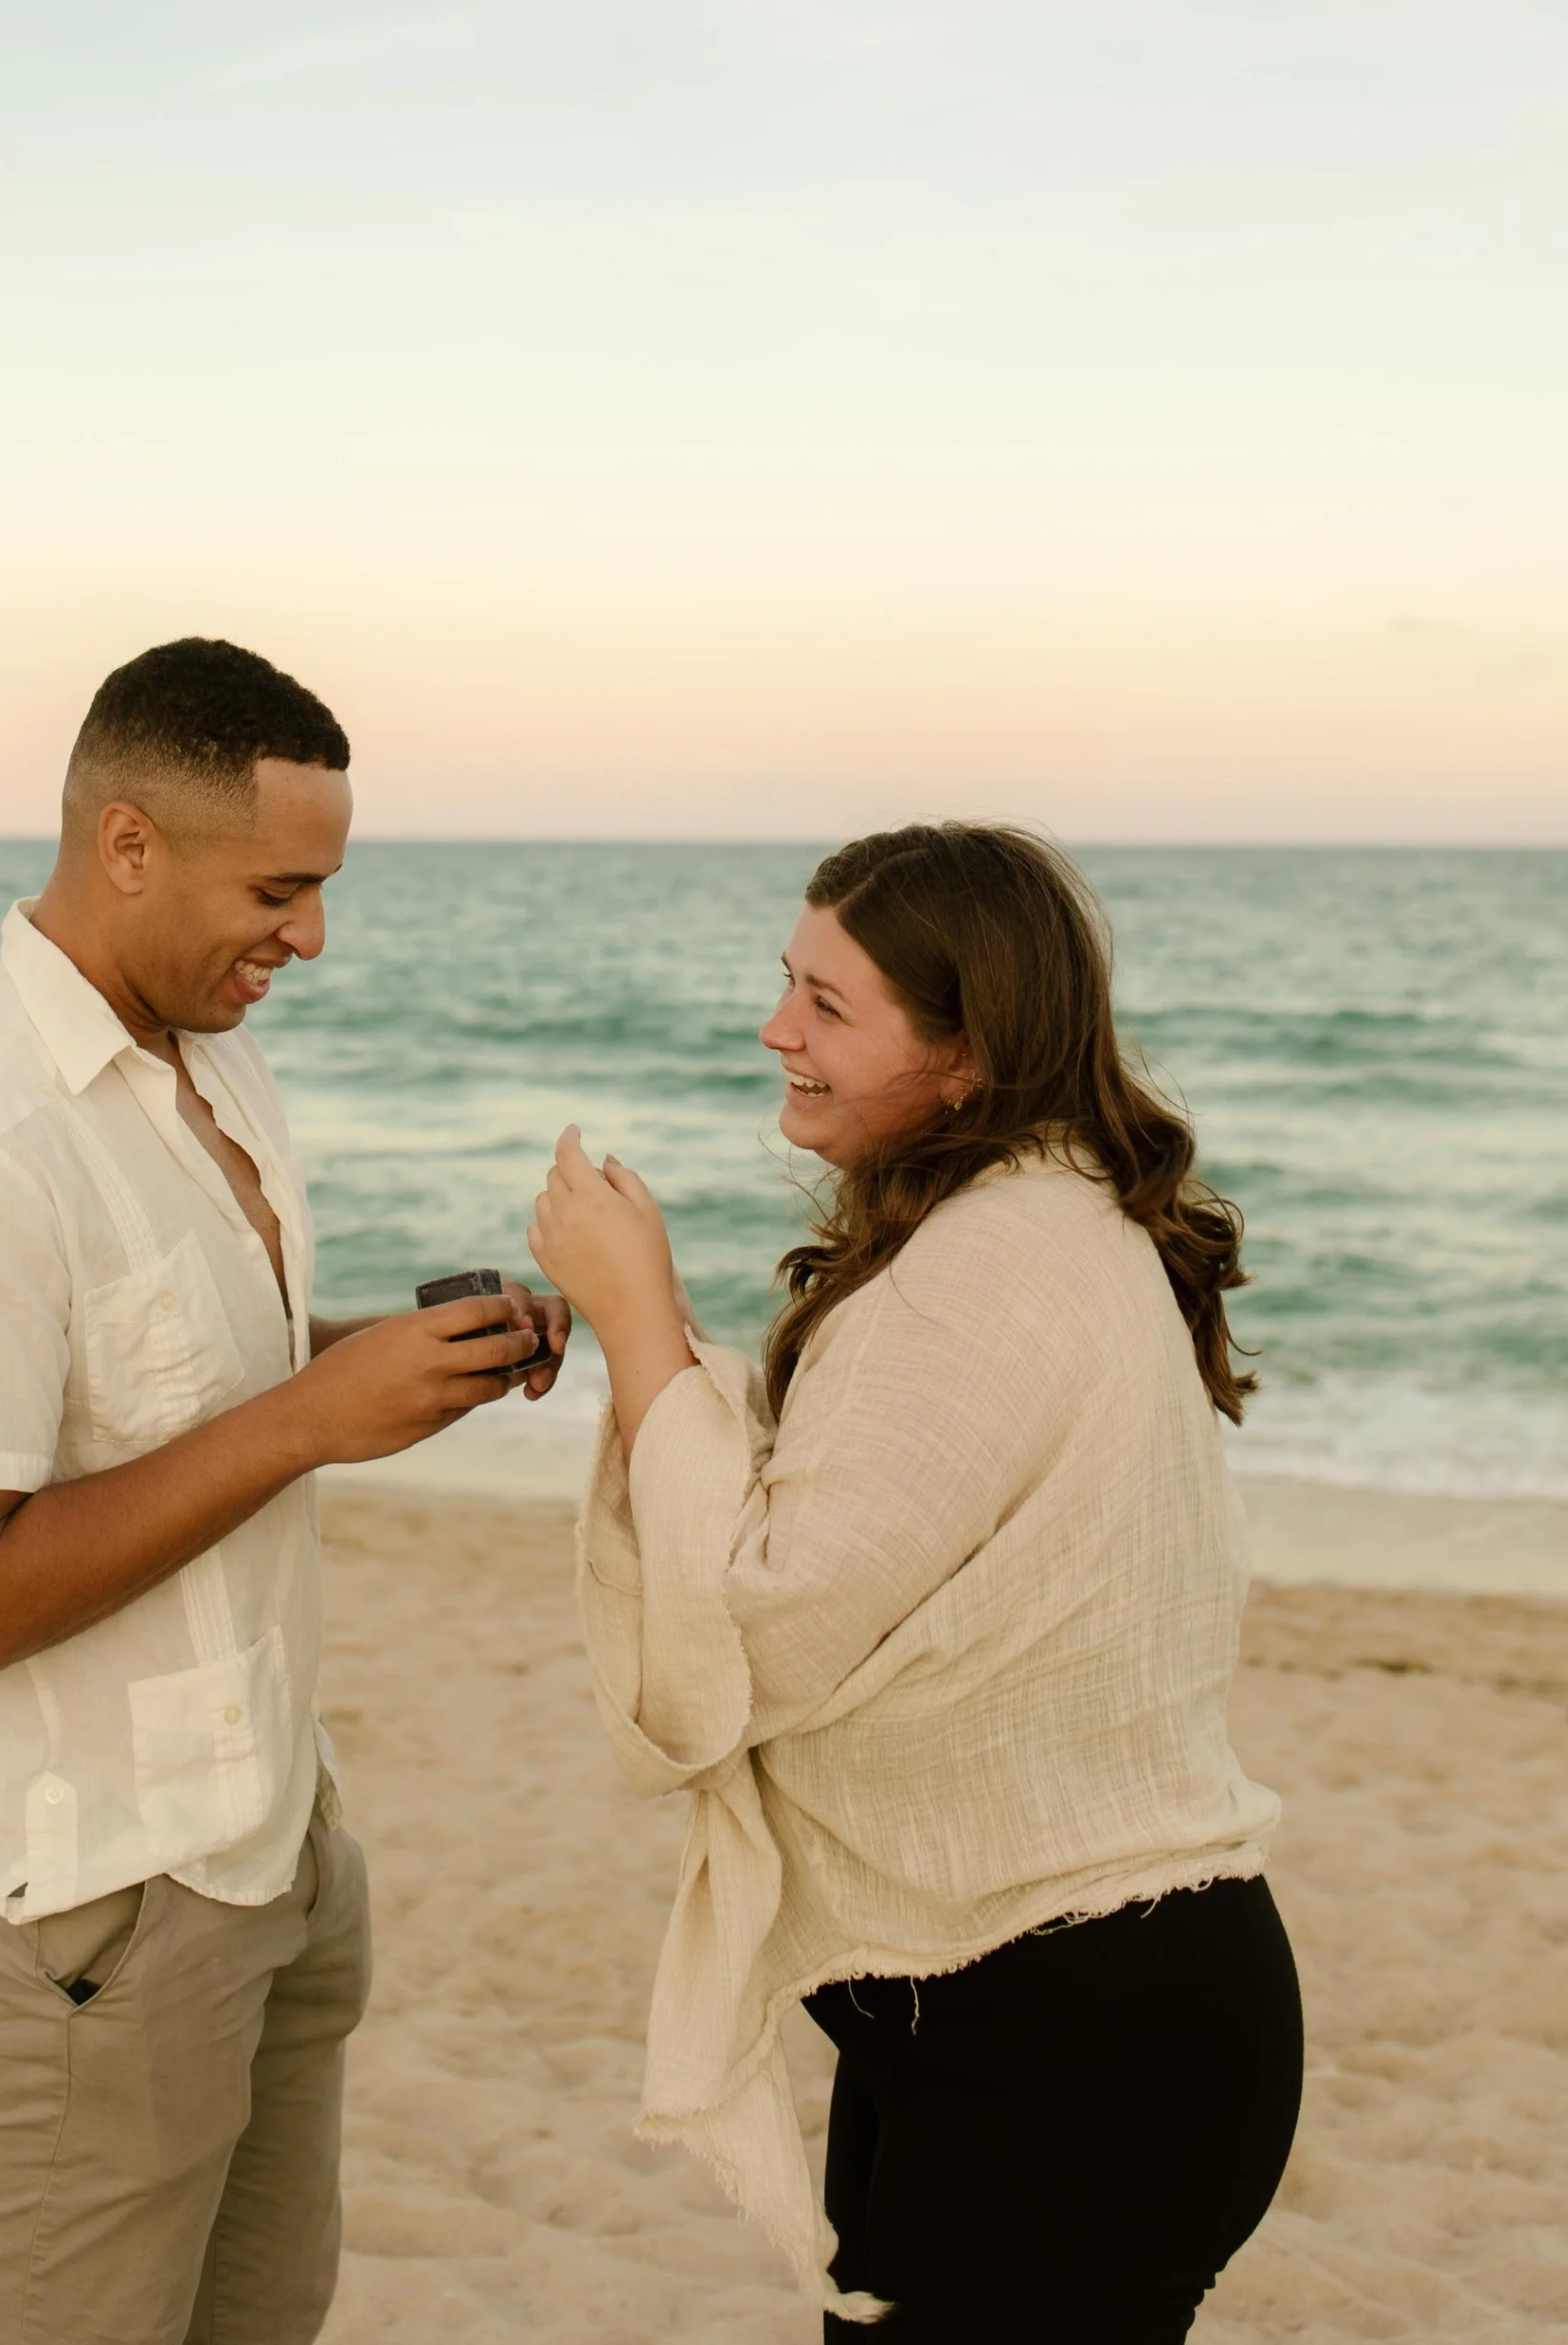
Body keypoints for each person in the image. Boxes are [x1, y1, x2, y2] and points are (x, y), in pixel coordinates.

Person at [0, 636, 568, 2345]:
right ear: (130, 841)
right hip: (92, 1907)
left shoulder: (209, 1059)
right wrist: (310, 1417)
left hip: (268, 1845)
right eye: (283, 887)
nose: (312, 936)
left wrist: (410, 1358)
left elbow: (215, 1392)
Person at [528, 821, 1301, 2342]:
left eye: (827, 1002)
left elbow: (768, 1616)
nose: (777, 1030)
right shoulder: (1033, 1217)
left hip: (1068, 2037)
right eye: (784, 985)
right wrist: (660, 1365)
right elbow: (869, 1522)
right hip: (1022, 2011)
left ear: (965, 1056)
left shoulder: (995, 1259)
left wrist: (642, 1322)